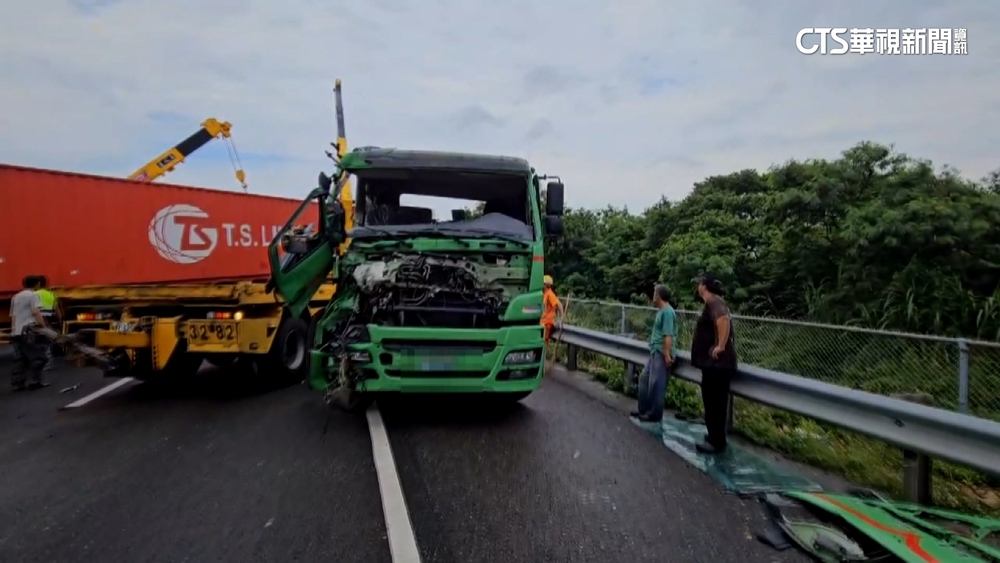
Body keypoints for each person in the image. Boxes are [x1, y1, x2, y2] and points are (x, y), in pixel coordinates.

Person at [690, 274, 738, 454]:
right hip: (712, 365)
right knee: (712, 401)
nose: (698, 287)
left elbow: (723, 320)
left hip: (718, 364)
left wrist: (720, 346)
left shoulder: (714, 302)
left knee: (715, 402)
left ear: (704, 286)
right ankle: (714, 436)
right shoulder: (713, 303)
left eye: (699, 284)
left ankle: (716, 441)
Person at [631, 284, 677, 423]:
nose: (653, 296)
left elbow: (668, 334)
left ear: (658, 296)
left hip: (661, 352)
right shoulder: (661, 311)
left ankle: (654, 414)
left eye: (654, 293)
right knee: (644, 379)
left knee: (657, 384)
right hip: (655, 350)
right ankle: (643, 409)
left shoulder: (668, 312)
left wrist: (667, 354)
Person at [9, 275, 51, 390]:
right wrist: (44, 326)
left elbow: (13, 316)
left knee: (21, 358)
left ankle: (18, 383)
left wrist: (13, 331)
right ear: (37, 284)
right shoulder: (34, 295)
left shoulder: (16, 297)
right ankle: (34, 381)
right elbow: (35, 312)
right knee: (39, 357)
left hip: (17, 331)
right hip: (29, 331)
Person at [35, 275, 58, 370]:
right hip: (50, 319)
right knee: (47, 342)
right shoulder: (51, 294)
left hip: (40, 319)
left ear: (38, 283)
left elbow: (35, 309)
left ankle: (40, 363)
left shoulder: (35, 294)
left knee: (38, 342)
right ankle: (48, 362)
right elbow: (56, 309)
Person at [541, 275, 565, 344]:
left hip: (547, 323)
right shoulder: (545, 294)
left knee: (544, 343)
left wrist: (561, 318)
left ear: (546, 285)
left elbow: (559, 305)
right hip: (543, 322)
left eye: (543, 284)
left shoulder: (550, 294)